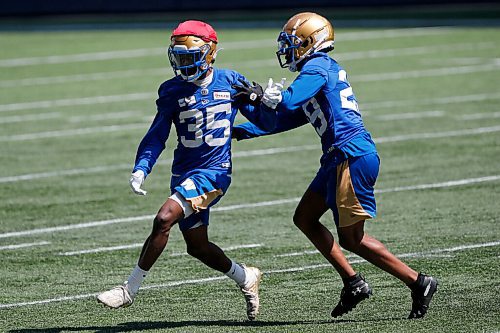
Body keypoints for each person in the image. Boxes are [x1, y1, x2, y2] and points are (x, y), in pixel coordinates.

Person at [232, 12, 438, 319]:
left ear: (312, 42)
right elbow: (282, 118)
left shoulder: (318, 66)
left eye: (294, 43)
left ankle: (418, 282)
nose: (289, 50)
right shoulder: (318, 71)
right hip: (337, 158)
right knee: (305, 218)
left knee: (352, 239)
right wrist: (241, 123)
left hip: (351, 155)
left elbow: (286, 103)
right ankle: (353, 282)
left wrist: (259, 95)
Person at [96, 20, 276, 321]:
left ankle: (129, 290)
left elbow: (268, 121)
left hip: (215, 172)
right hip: (184, 173)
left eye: (190, 57)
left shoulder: (230, 80)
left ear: (210, 54)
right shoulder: (171, 90)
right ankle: (245, 277)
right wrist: (142, 167)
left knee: (163, 218)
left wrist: (268, 104)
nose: (184, 64)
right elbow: (157, 134)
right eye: (179, 58)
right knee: (198, 247)